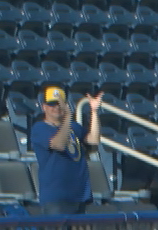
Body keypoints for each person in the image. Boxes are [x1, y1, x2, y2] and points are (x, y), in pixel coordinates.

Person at [30, 85, 104, 217]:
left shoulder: (74, 126)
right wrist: (68, 117)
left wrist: (94, 111)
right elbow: (58, 144)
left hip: (79, 195)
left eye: (60, 104)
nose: (56, 107)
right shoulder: (40, 128)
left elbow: (93, 139)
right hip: (56, 198)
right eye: (52, 104)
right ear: (44, 107)